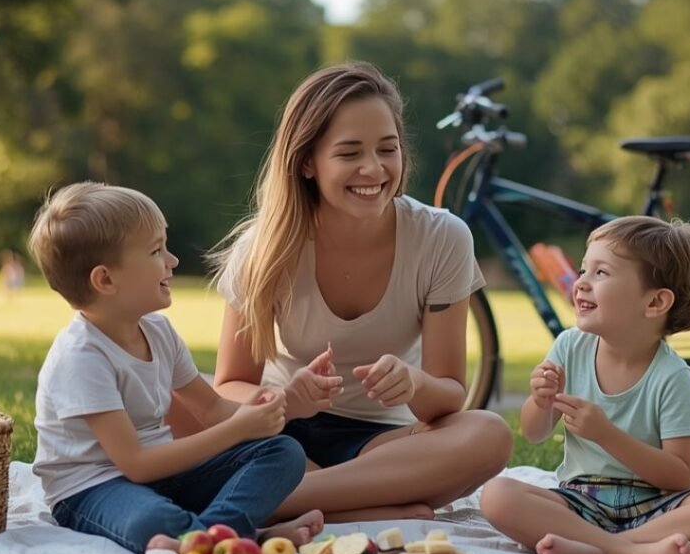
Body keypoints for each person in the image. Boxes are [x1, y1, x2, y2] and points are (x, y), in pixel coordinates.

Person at [187, 62, 513, 524]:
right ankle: (368, 506)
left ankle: (279, 501)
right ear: (306, 162)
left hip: (381, 444)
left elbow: (448, 396)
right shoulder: (262, 248)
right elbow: (230, 385)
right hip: (278, 434)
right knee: (173, 394)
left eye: (388, 148)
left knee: (489, 434)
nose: (373, 168)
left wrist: (414, 383)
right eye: (349, 153)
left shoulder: (442, 237)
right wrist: (288, 403)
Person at [28, 182, 322, 554]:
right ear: (105, 280)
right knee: (153, 523)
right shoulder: (80, 357)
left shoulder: (158, 331)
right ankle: (243, 537)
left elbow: (214, 410)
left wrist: (287, 404)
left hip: (164, 474)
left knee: (283, 454)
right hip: (93, 489)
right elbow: (135, 465)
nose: (173, 261)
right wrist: (237, 429)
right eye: (156, 251)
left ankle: (209, 539)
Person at [480, 216, 690, 554]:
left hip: (658, 506)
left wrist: (606, 434)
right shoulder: (570, 347)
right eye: (583, 270)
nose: (580, 283)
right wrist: (540, 401)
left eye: (601, 273)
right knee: (497, 495)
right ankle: (626, 551)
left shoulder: (673, 377)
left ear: (655, 303)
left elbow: (681, 475)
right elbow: (534, 433)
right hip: (580, 500)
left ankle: (604, 547)